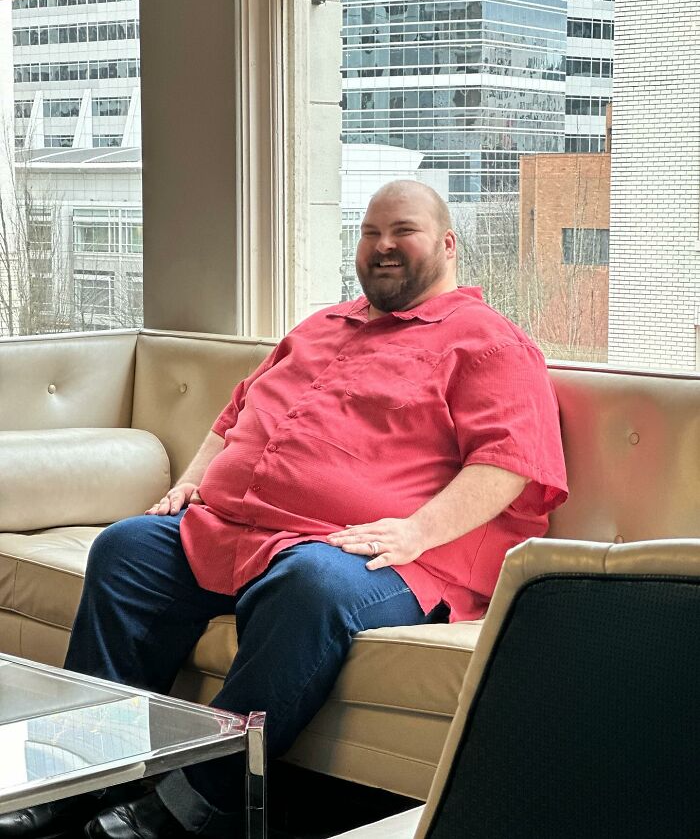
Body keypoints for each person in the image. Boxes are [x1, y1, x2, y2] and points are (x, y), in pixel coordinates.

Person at [0, 181, 567, 838]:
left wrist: (418, 530)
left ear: (446, 243)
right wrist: (190, 483)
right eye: (370, 232)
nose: (383, 246)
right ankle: (86, 770)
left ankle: (191, 807)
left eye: (402, 231)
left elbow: (511, 459)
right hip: (237, 531)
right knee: (126, 548)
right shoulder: (322, 325)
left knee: (309, 585)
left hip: (371, 554)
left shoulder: (489, 341)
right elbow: (235, 414)